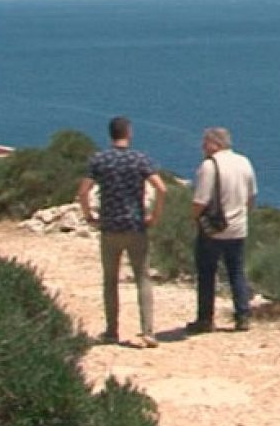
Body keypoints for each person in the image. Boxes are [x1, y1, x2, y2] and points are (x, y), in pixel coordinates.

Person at [77, 116, 166, 348]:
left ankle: (111, 331)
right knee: (142, 279)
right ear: (129, 133)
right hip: (136, 226)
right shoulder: (139, 159)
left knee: (110, 281)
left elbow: (83, 191)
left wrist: (89, 216)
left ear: (111, 134)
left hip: (109, 227)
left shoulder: (100, 159)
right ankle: (147, 331)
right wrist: (154, 215)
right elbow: (161, 188)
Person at [186, 126, 257, 334]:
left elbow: (200, 201)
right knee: (236, 271)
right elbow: (251, 197)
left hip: (213, 229)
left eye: (205, 142)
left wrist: (194, 218)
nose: (202, 146)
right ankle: (242, 316)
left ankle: (205, 319)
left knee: (207, 273)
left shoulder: (209, 166)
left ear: (214, 143)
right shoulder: (244, 162)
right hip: (238, 228)